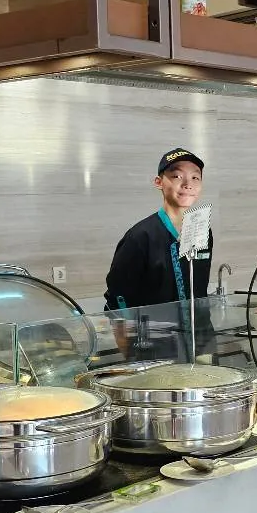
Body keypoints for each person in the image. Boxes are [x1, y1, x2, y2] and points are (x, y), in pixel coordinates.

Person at [104, 148, 214, 360]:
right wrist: (129, 350)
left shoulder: (203, 231)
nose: (187, 184)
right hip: (154, 345)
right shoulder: (140, 236)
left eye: (195, 177)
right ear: (159, 182)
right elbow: (117, 297)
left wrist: (205, 341)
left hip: (201, 338)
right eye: (176, 176)